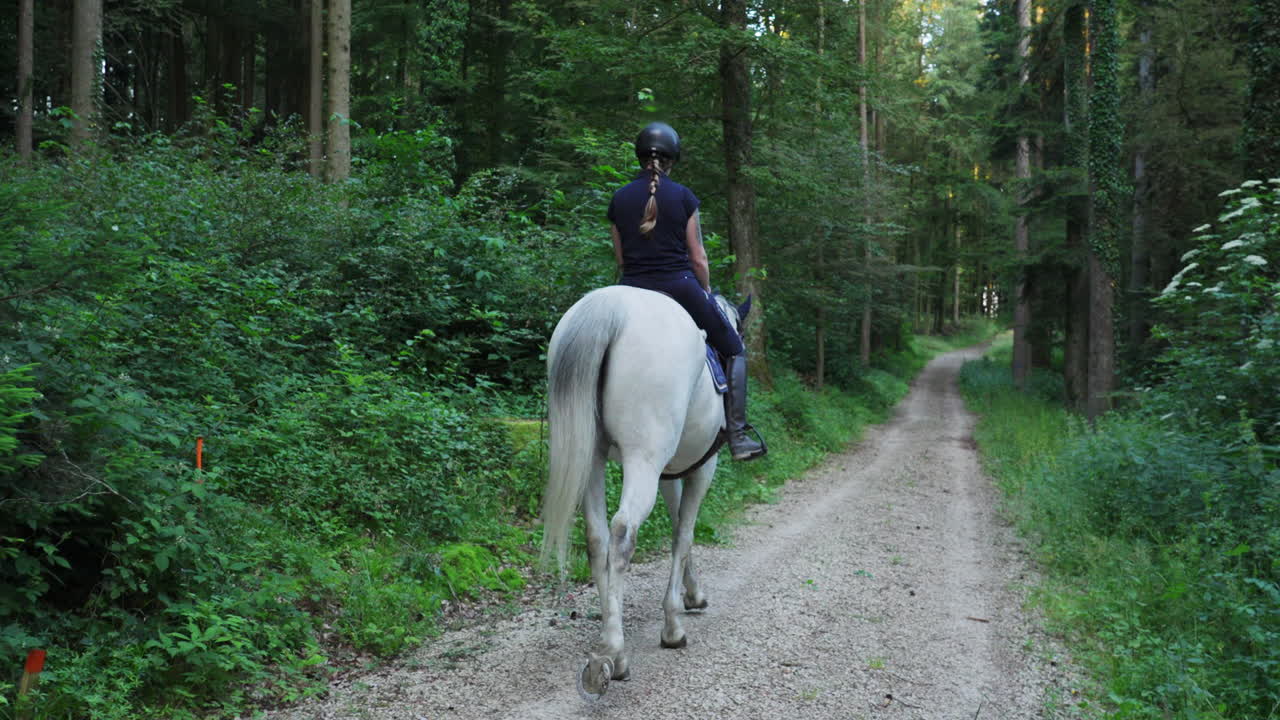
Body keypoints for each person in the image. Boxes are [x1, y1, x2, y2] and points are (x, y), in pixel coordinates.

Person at [607, 122, 766, 462]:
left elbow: (620, 258)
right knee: (734, 347)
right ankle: (737, 434)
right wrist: (705, 291)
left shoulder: (619, 198)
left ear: (639, 157)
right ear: (672, 160)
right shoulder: (683, 196)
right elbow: (698, 257)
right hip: (678, 285)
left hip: (631, 286)